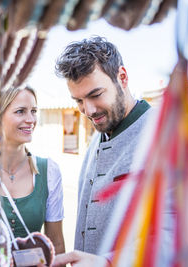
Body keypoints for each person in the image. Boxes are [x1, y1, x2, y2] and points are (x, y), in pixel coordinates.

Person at [53, 36, 153, 265]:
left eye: (96, 95)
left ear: (123, 78)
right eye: (78, 100)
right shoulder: (95, 140)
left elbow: (180, 232)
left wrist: (109, 262)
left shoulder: (166, 135)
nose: (88, 110)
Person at [0, 86, 65, 254]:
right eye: (21, 111)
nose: (31, 119)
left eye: (34, 111)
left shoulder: (49, 171)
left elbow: (56, 244)